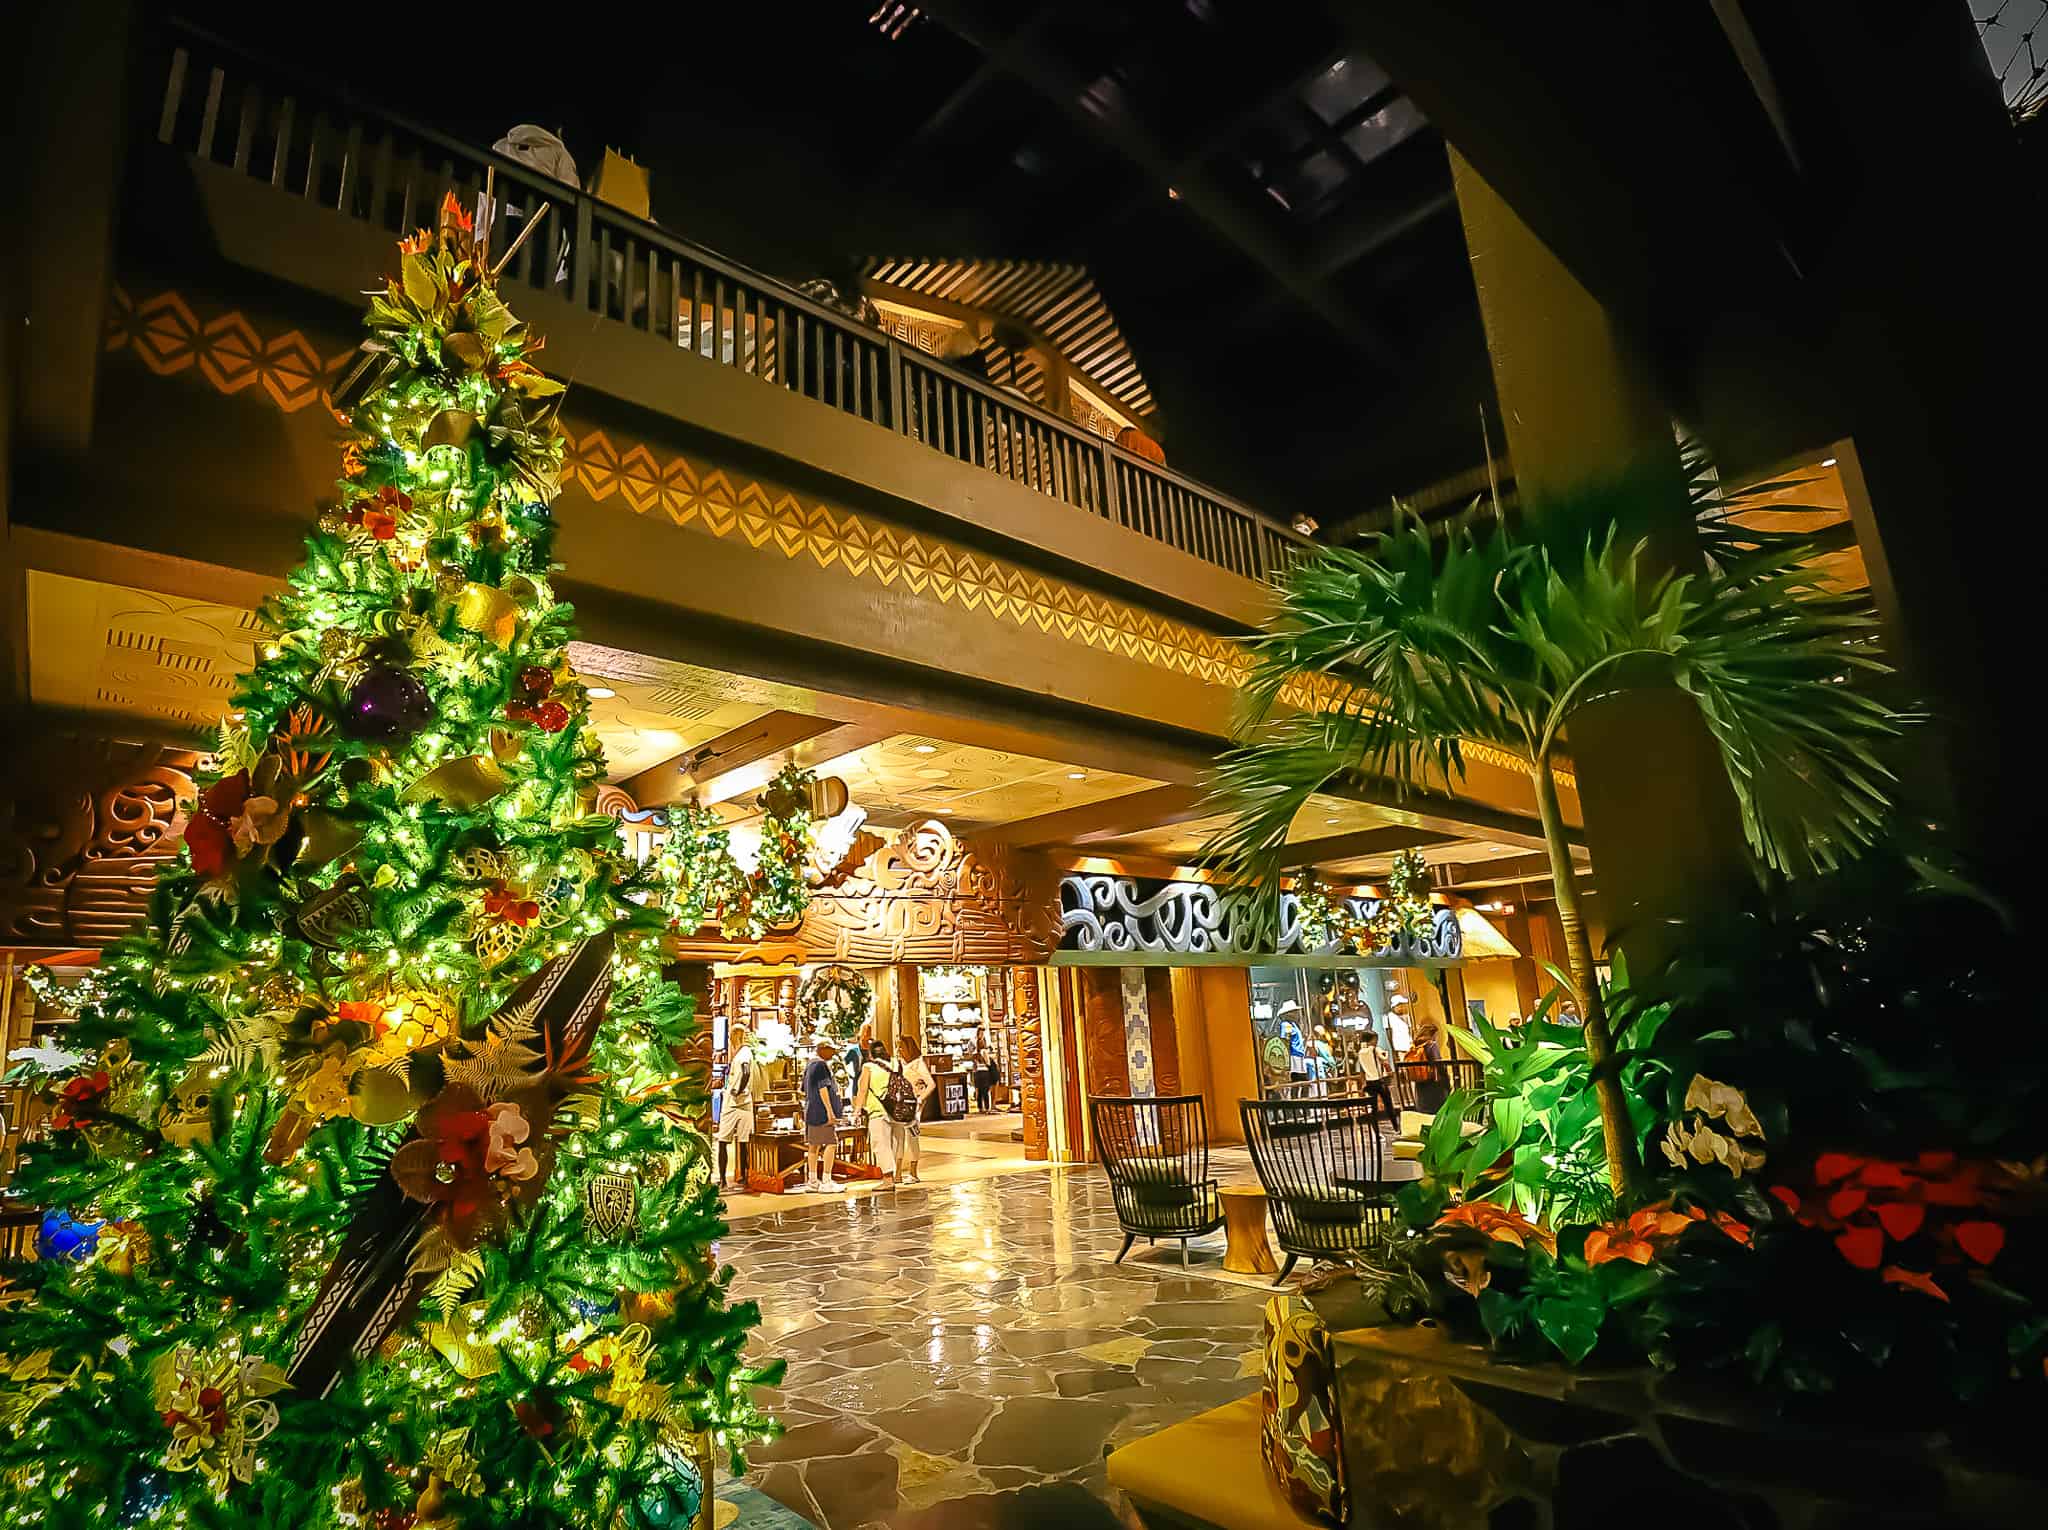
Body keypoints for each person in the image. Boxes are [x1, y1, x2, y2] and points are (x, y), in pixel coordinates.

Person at [800, 1037, 846, 1193]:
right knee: (831, 1143)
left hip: (811, 1110)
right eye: (831, 1050)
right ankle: (826, 1180)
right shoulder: (820, 1065)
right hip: (820, 1112)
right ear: (823, 1049)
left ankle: (812, 1180)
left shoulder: (809, 1065)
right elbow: (823, 1088)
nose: (833, 1054)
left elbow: (803, 1089)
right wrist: (830, 1111)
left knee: (813, 1145)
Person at [714, 1024, 756, 1191]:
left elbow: (745, 1073)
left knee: (724, 1140)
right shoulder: (744, 1053)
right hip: (743, 1103)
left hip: (735, 1102)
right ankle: (743, 1178)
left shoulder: (744, 1054)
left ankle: (725, 1179)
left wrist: (737, 1090)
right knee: (743, 1141)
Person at [894, 1034, 936, 1184]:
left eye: (901, 1047)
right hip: (900, 1106)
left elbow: (931, 1084)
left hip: (914, 1108)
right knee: (898, 1139)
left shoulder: (918, 1063)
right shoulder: (898, 1063)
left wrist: (920, 1099)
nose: (899, 1050)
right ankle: (897, 1173)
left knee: (912, 1138)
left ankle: (913, 1172)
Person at [1356, 1024, 1396, 1127]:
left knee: (1373, 1108)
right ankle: (1396, 1126)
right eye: (1375, 1039)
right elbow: (1384, 1061)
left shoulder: (1360, 1052)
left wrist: (1363, 1083)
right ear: (1371, 1040)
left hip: (1369, 1082)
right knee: (1388, 1105)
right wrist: (1386, 1057)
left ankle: (1376, 1130)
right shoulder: (1375, 1049)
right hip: (1379, 1081)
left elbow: (1362, 1070)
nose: (1376, 1041)